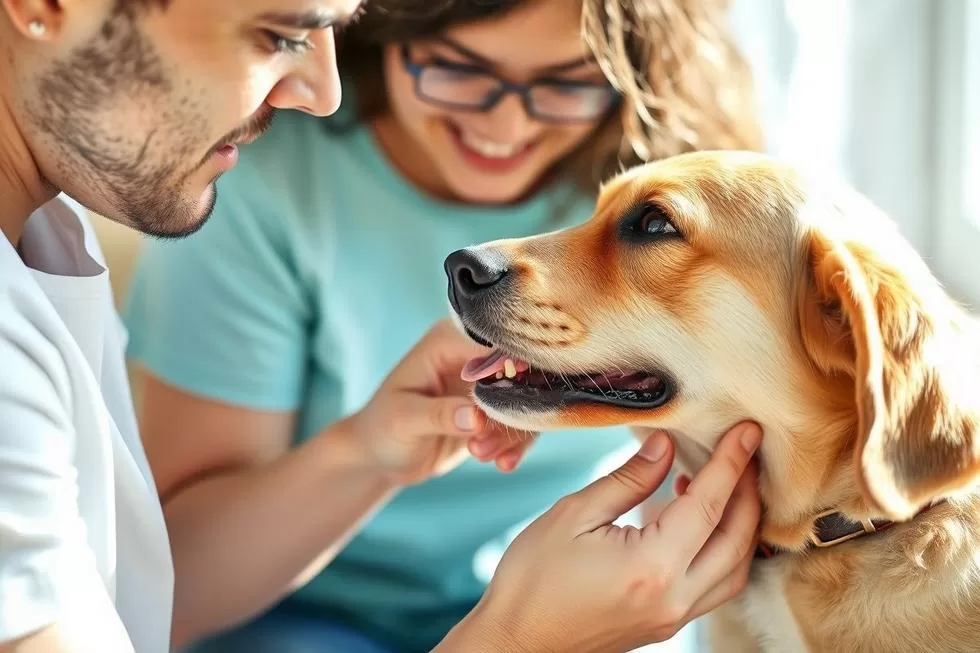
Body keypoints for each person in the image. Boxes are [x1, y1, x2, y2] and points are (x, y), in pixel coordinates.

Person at [0, 2, 761, 653]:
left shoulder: (55, 237)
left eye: (565, 83)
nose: (321, 94)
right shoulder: (237, 183)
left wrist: (370, 451)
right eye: (279, 32)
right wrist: (517, 635)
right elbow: (163, 597)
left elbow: (119, 599)